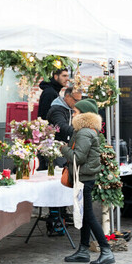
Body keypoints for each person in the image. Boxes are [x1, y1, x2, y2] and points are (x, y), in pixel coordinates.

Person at [61, 99, 115, 264]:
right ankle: (83, 250)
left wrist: (63, 149)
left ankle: (106, 250)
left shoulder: (84, 132)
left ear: (84, 115)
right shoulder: (87, 131)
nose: (73, 114)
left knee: (89, 215)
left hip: (84, 178)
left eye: (75, 112)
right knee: (84, 215)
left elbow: (78, 158)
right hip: (85, 177)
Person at [45, 84, 82, 235]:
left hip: (65, 149)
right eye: (75, 100)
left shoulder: (70, 108)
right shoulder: (56, 109)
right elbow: (61, 126)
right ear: (67, 97)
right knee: (59, 181)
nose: (77, 104)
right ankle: (56, 216)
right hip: (55, 150)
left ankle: (63, 214)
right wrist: (79, 131)